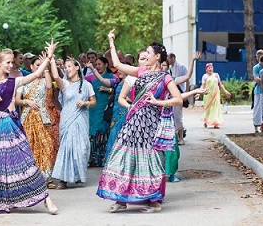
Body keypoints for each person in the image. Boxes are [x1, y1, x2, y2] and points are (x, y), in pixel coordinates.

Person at [97, 30, 183, 213]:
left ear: (157, 57)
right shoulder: (140, 71)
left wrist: (159, 102)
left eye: (149, 53)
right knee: (122, 155)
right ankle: (121, 199)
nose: (146, 56)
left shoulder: (165, 77)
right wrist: (111, 41)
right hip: (133, 120)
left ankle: (154, 202)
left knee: (149, 160)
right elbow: (118, 64)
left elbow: (178, 99)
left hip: (151, 123)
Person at [0, 41, 58, 214]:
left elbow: (36, 75)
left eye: (12, 62)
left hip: (11, 126)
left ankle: (46, 199)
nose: (11, 65)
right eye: (8, 62)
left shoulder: (14, 81)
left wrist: (49, 57)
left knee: (25, 162)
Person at [49, 58, 96, 189]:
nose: (67, 69)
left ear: (77, 67)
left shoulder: (87, 85)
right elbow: (55, 76)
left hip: (81, 119)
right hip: (67, 119)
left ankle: (76, 175)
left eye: (69, 66)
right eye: (65, 67)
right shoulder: (65, 84)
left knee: (81, 148)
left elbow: (94, 102)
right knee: (67, 148)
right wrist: (51, 59)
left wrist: (85, 103)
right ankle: (63, 180)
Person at [15, 57, 57, 189]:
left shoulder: (45, 80)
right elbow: (17, 100)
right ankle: (30, 178)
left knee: (47, 145)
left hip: (43, 116)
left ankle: (47, 177)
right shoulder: (23, 82)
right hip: (27, 116)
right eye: (38, 65)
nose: (40, 67)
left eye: (42, 65)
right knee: (30, 147)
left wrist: (46, 69)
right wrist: (26, 102)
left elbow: (50, 86)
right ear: (32, 67)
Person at [161, 52, 202, 182]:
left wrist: (192, 60)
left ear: (168, 67)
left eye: (165, 65)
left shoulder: (171, 80)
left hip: (167, 119)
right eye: (161, 65)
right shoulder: (151, 80)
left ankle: (171, 173)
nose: (162, 67)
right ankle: (156, 174)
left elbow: (187, 76)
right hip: (154, 119)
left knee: (173, 148)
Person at [85, 57, 119, 167]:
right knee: (93, 132)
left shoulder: (113, 77)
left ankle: (102, 157)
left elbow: (118, 89)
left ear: (105, 64)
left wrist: (107, 90)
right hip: (94, 109)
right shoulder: (90, 78)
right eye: (96, 64)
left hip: (105, 108)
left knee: (104, 132)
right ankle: (92, 159)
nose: (98, 66)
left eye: (100, 64)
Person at [200, 63, 231, 129]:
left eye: (211, 67)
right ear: (206, 69)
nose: (210, 69)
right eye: (209, 68)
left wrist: (225, 91)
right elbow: (202, 86)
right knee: (208, 109)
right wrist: (198, 93)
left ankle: (216, 123)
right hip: (207, 95)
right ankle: (206, 121)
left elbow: (220, 84)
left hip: (216, 94)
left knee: (216, 108)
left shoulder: (216, 75)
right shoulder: (204, 76)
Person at [167, 53, 188, 145]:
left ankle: (181, 137)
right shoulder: (168, 69)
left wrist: (186, 92)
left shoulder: (181, 67)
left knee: (178, 116)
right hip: (170, 95)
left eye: (169, 58)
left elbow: (187, 79)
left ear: (173, 58)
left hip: (180, 92)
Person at [252, 50, 263, 132]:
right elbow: (256, 79)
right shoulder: (256, 67)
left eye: (262, 56)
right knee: (257, 109)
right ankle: (256, 127)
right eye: (258, 57)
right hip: (259, 91)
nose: (260, 58)